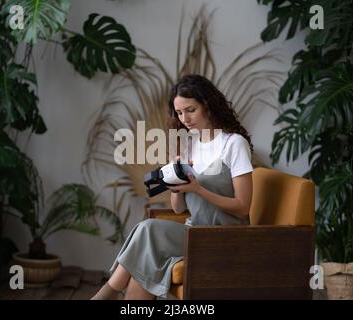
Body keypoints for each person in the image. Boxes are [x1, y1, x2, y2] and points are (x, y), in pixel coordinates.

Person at [91, 74, 253, 300]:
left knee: (147, 229)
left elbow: (243, 207)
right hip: (194, 232)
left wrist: (199, 190)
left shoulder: (234, 144)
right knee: (144, 257)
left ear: (207, 105)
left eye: (190, 110)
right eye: (179, 113)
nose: (184, 118)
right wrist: (176, 183)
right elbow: (178, 209)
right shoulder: (190, 145)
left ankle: (105, 294)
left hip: (225, 236)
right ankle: (106, 295)